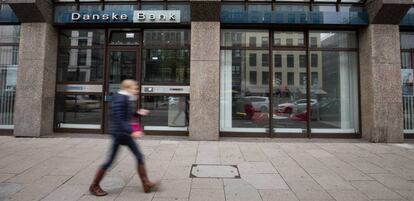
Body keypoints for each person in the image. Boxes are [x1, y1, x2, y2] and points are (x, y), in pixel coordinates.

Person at [89, 79, 157, 196]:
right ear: (128, 88)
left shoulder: (125, 98)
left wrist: (138, 113)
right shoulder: (121, 99)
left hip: (124, 133)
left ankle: (146, 183)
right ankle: (94, 185)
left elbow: (127, 116)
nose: (137, 91)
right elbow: (119, 119)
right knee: (110, 161)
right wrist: (132, 131)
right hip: (119, 134)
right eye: (135, 88)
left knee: (139, 156)